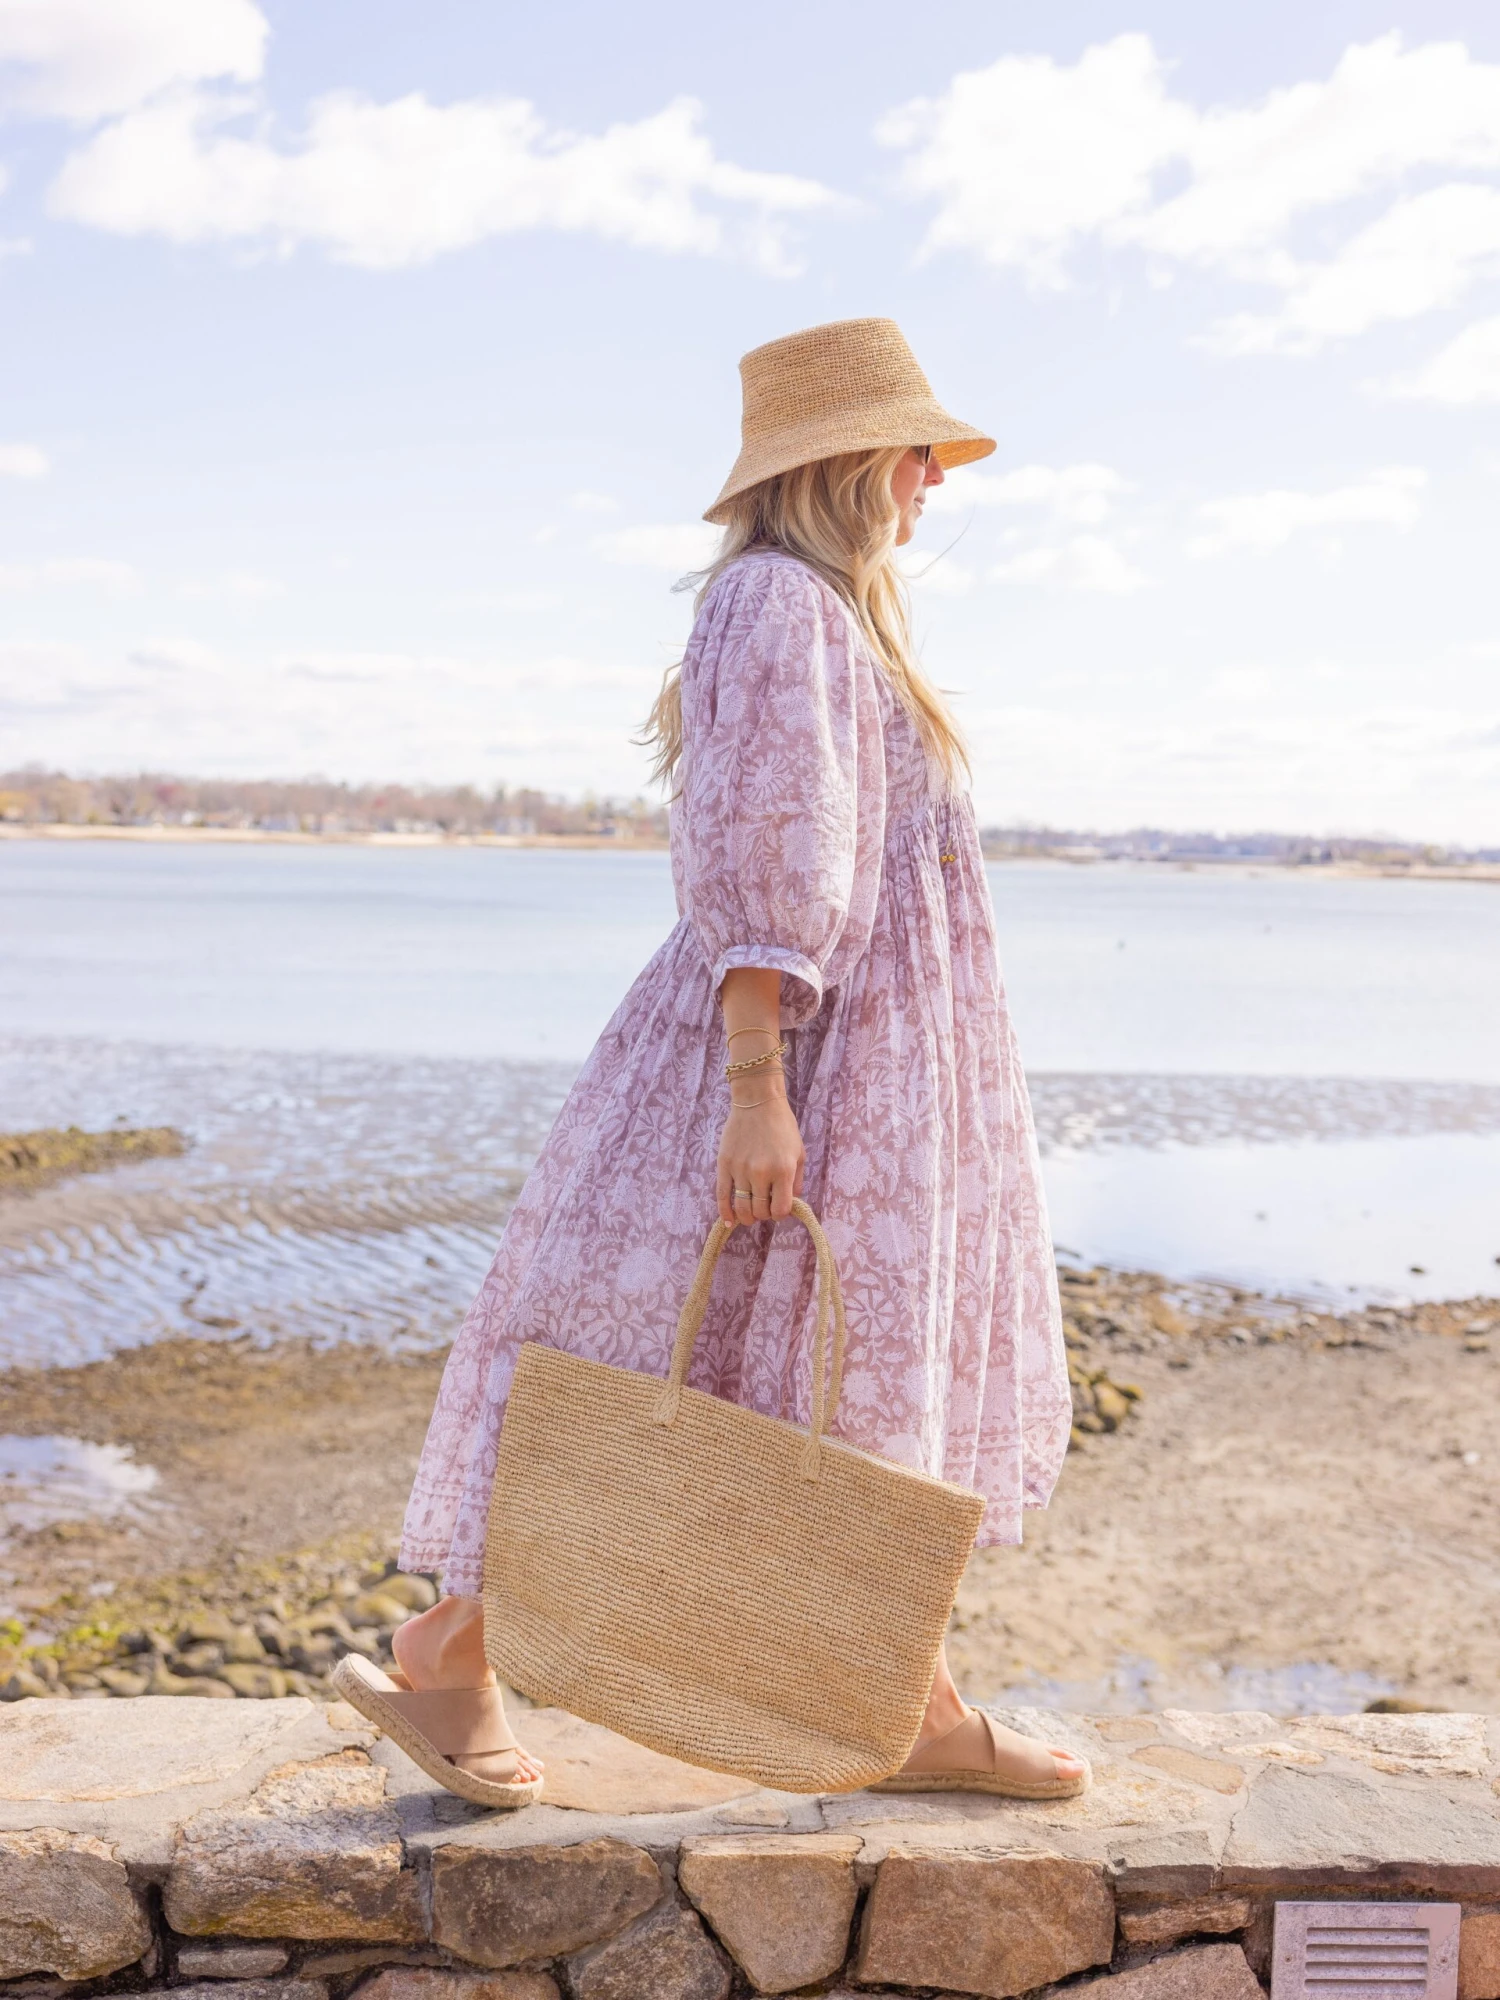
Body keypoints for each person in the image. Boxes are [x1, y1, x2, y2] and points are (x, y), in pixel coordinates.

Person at [333, 317, 1087, 1808]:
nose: (936, 480)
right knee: (679, 1377)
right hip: (798, 1065)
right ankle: (467, 1653)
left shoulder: (834, 616)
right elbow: (769, 847)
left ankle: (873, 1693)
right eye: (918, 451)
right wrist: (760, 1088)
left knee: (803, 1388)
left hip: (861, 1072)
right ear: (854, 460)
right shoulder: (778, 603)